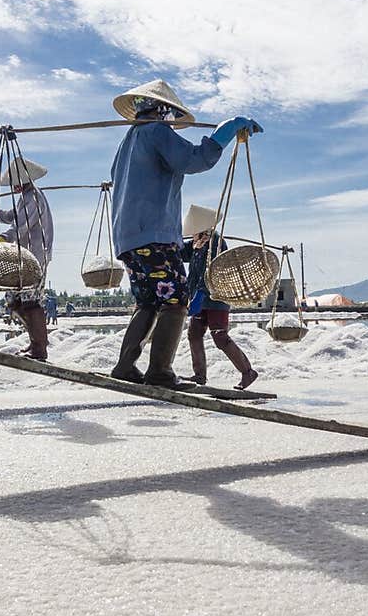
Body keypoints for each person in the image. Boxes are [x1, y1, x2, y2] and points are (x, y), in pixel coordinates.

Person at [109, 78, 262, 386]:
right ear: (164, 111)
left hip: (128, 237)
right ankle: (160, 371)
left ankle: (125, 366)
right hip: (154, 234)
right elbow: (194, 160)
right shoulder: (156, 132)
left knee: (148, 302)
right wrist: (225, 131)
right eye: (172, 116)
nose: (173, 122)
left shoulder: (128, 141)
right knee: (176, 301)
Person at [0, 156, 54, 361]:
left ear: (24, 180)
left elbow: (21, 227)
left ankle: (40, 349)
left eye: (16, 183)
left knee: (32, 303)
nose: (13, 187)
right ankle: (35, 341)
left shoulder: (33, 197)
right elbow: (10, 217)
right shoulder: (25, 197)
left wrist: (2, 239)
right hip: (23, 257)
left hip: (35, 257)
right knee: (15, 303)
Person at [182, 203, 258, 389]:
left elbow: (213, 271)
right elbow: (181, 252)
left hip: (215, 298)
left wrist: (200, 292)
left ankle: (248, 372)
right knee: (194, 334)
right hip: (199, 298)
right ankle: (199, 375)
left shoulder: (216, 242)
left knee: (220, 336)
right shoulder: (196, 243)